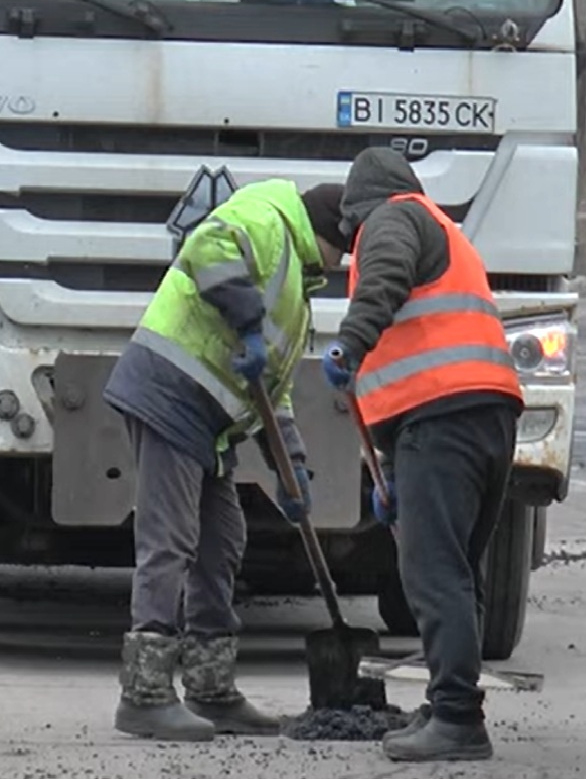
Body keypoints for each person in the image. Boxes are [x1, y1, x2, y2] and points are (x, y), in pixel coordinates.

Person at [103, 178, 350, 742]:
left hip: (207, 420)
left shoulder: (297, 287)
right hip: (168, 392)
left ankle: (211, 689)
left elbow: (273, 387)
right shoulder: (268, 219)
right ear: (327, 234)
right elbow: (206, 246)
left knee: (222, 541)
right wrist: (244, 318)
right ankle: (144, 695)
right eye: (344, 248)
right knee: (171, 540)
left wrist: (291, 464)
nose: (341, 264)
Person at [320, 147, 523, 763]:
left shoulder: (392, 218)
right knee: (457, 570)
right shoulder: (447, 233)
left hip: (444, 420)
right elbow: (422, 342)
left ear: (357, 207)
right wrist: (392, 473)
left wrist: (348, 346)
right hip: (484, 416)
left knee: (433, 572)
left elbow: (382, 280)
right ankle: (450, 701)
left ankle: (458, 719)